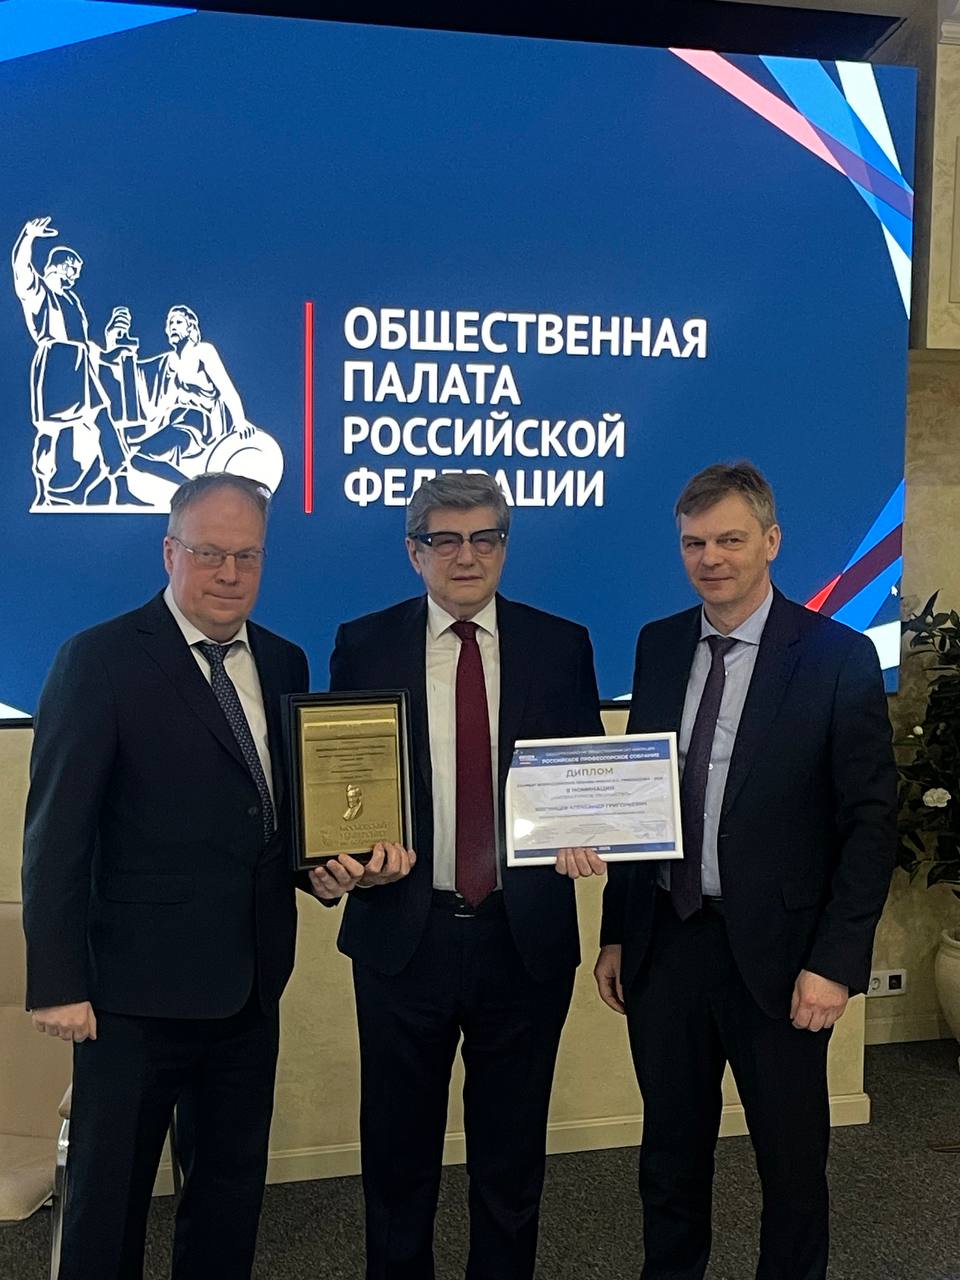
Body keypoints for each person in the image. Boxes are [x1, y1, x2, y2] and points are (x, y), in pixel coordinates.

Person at [21, 473, 363, 1279]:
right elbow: (56, 837)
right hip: (130, 997)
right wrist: (58, 982)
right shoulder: (99, 659)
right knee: (109, 1202)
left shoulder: (282, 659)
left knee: (228, 1196)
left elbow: (268, 813)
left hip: (249, 986)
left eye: (248, 555)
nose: (229, 574)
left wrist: (318, 870)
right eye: (210, 553)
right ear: (170, 551)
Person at [587, 461, 897, 1280]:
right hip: (668, 942)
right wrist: (619, 931)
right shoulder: (659, 645)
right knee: (669, 1158)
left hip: (784, 958)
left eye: (730, 539)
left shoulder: (837, 655)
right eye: (694, 543)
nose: (711, 558)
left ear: (771, 541)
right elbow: (642, 801)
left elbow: (870, 823)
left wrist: (836, 962)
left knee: (790, 1168)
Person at [322, 472, 603, 1280]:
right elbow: (344, 784)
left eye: (485, 538)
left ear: (505, 547)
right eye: (445, 540)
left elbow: (584, 778)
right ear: (414, 552)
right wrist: (345, 855)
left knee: (510, 1161)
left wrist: (588, 833)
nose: (467, 556)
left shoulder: (562, 645)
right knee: (397, 1157)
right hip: (403, 937)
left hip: (524, 937)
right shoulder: (365, 643)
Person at [11, 215, 144, 508]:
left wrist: (107, 354)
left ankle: (121, 487)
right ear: (59, 266)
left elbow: (83, 342)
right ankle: (43, 493)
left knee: (104, 421)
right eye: (73, 269)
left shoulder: (73, 301)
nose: (75, 276)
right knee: (49, 432)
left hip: (81, 367)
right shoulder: (39, 292)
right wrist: (28, 236)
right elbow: (21, 269)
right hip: (55, 366)